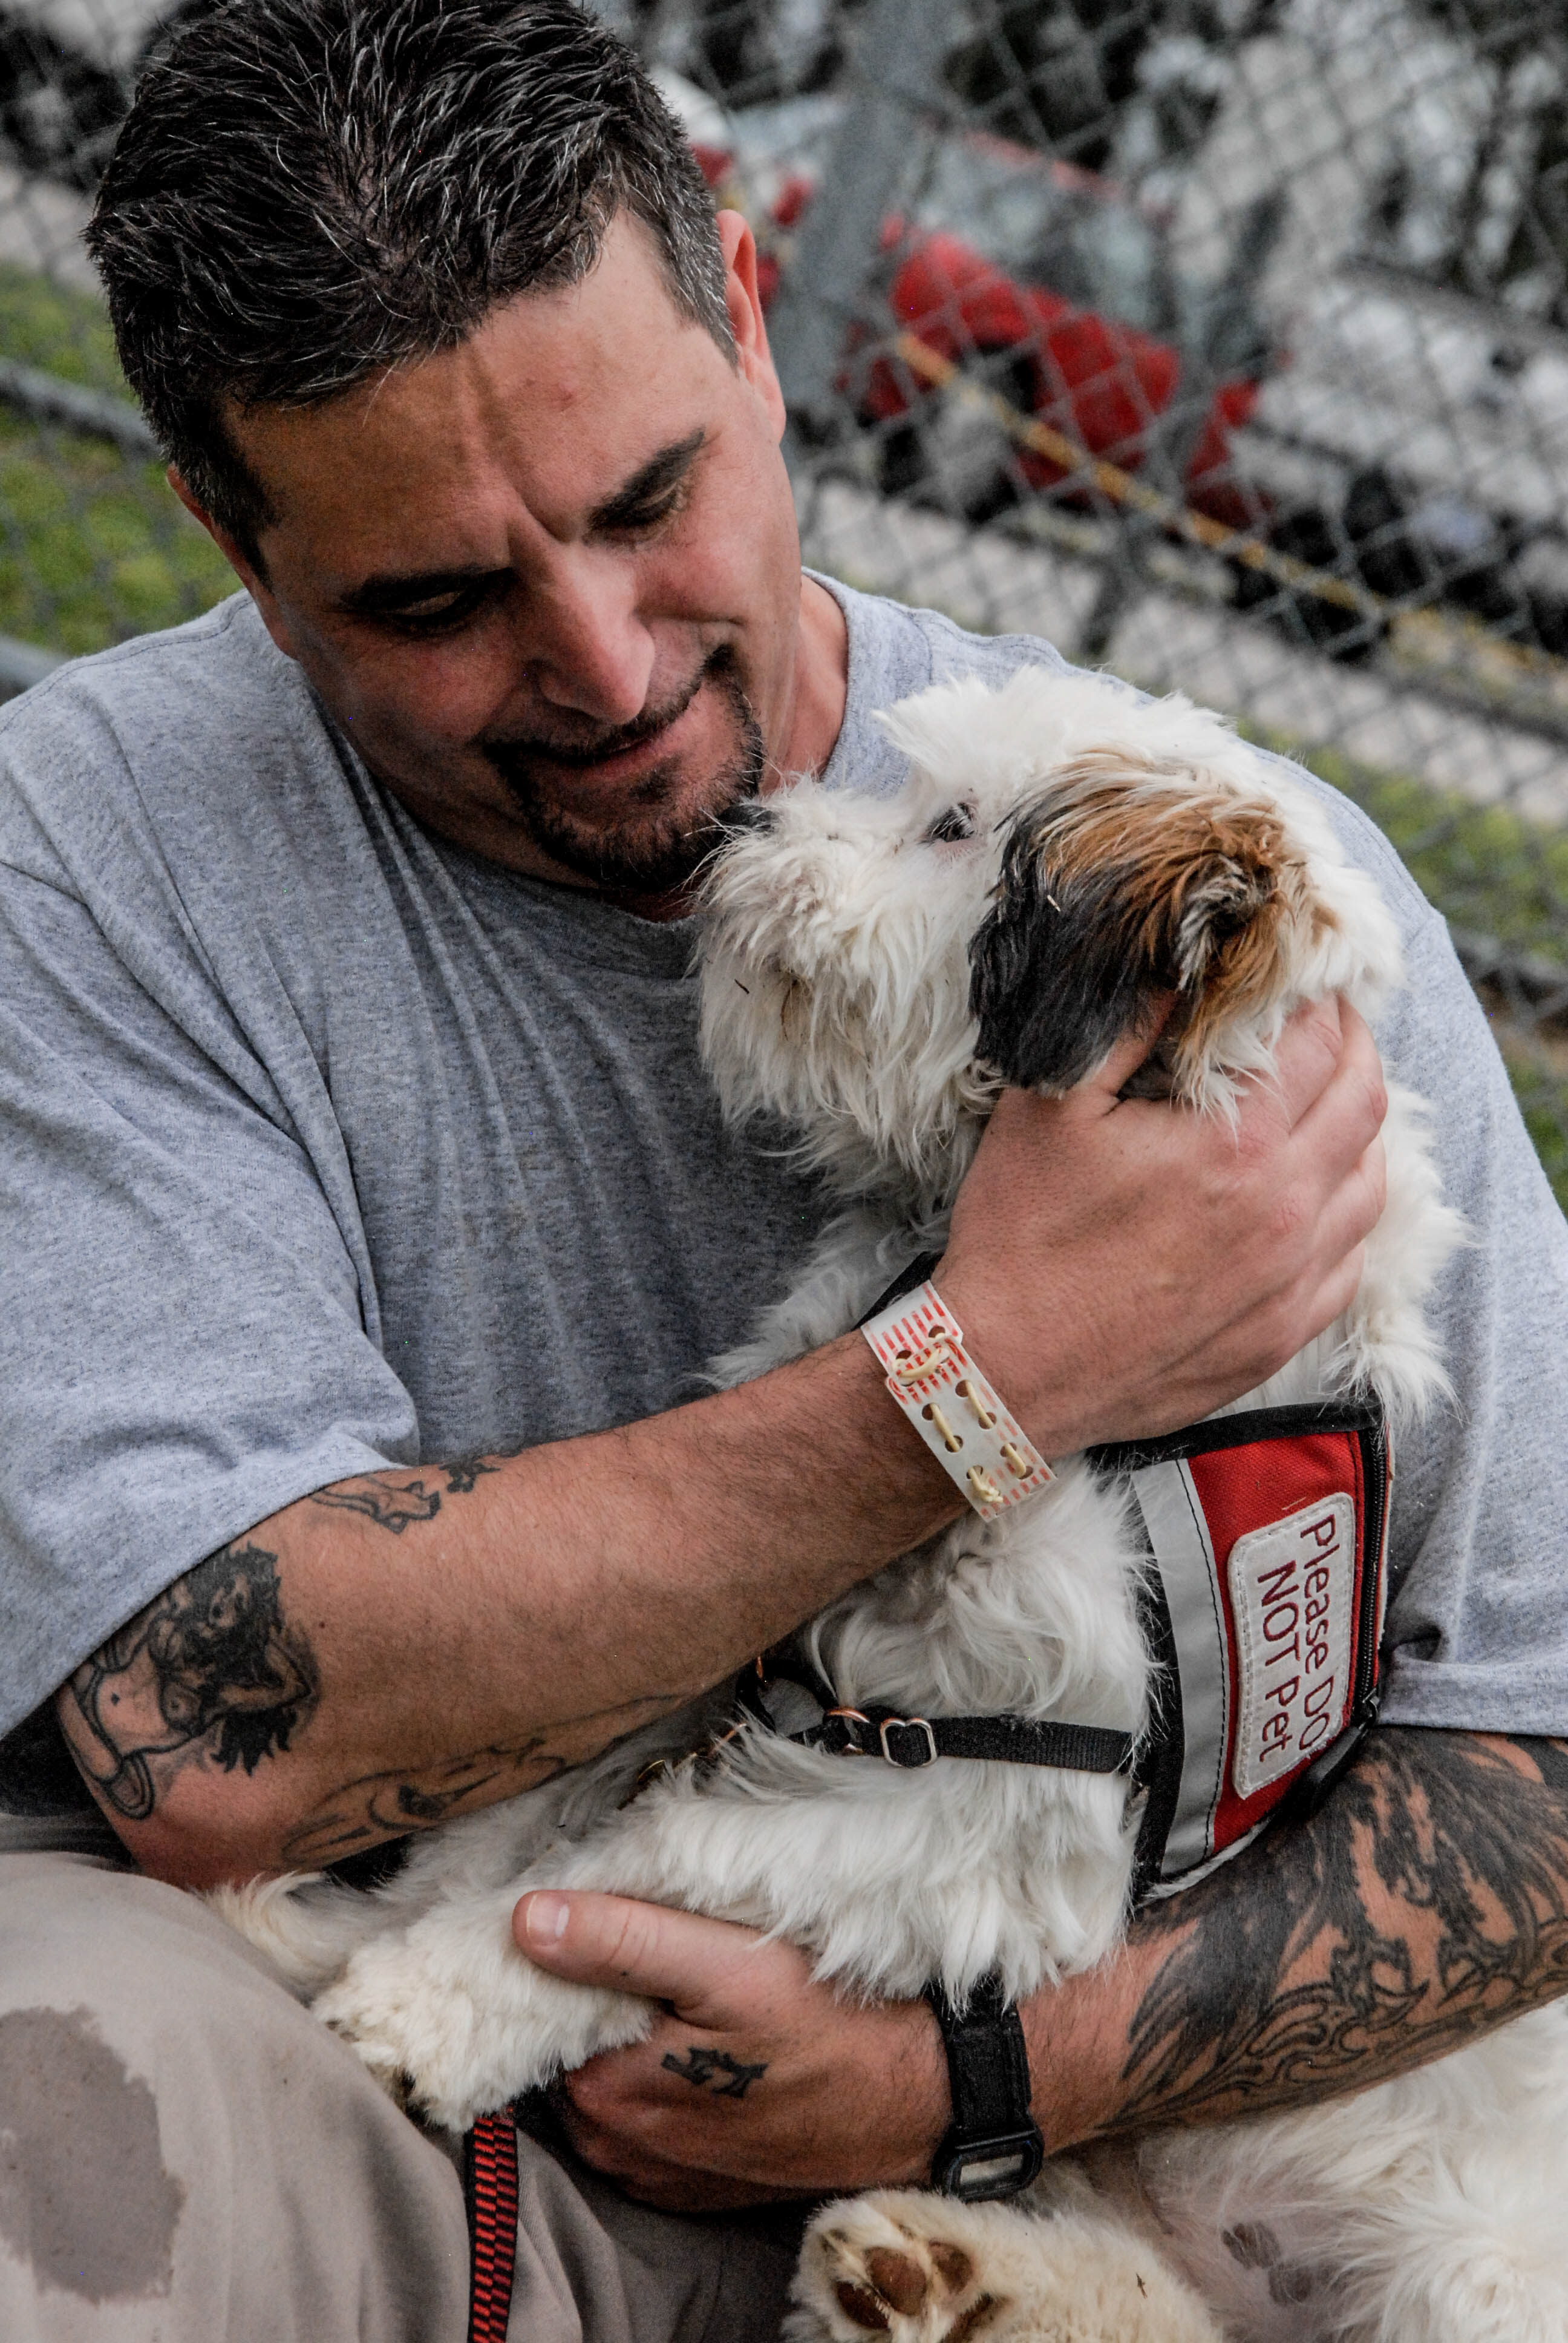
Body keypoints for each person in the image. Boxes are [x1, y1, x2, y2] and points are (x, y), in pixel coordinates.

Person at [0, 1, 1564, 2336]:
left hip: (1015, 2134)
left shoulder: (1261, 917)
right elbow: (215, 1737)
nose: (608, 666)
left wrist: (982, 2073)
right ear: (230, 525)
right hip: (313, 1980)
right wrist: (987, 1370)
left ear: (747, 303)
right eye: (437, 600)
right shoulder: (95, 854)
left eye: (650, 504)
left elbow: (1535, 1754)